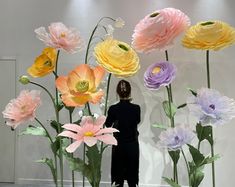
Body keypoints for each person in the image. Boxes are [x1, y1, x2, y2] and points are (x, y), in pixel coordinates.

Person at [105, 79, 141, 187]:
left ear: (117, 92)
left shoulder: (113, 109)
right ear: (130, 92)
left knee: (118, 178)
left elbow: (107, 124)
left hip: (118, 146)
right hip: (132, 145)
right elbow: (137, 121)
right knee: (132, 178)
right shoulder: (136, 108)